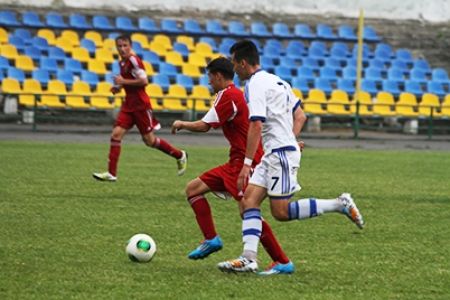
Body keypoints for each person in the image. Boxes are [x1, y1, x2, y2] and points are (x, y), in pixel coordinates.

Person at [217, 40, 365, 273]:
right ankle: (248, 258)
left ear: (243, 63)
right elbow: (301, 116)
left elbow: (256, 124)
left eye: (234, 63)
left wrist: (247, 164)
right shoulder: (279, 82)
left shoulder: (254, 85)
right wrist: (290, 140)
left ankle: (339, 204)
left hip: (280, 155)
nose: (233, 69)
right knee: (248, 202)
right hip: (275, 153)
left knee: (281, 213)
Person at [171, 57, 295, 275]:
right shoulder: (239, 94)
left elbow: (205, 126)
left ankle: (281, 260)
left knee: (249, 209)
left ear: (218, 76)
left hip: (244, 163)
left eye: (209, 77)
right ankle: (211, 239)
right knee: (193, 189)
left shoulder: (226, 95)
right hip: (237, 160)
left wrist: (182, 124)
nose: (208, 82)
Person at [93, 35, 187, 182]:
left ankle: (179, 155)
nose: (122, 49)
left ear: (130, 46)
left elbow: (144, 81)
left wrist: (123, 81)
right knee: (116, 134)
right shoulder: (122, 62)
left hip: (141, 106)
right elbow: (129, 81)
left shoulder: (133, 60)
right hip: (128, 105)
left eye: (125, 45)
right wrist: (118, 87)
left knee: (149, 141)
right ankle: (112, 173)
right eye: (120, 46)